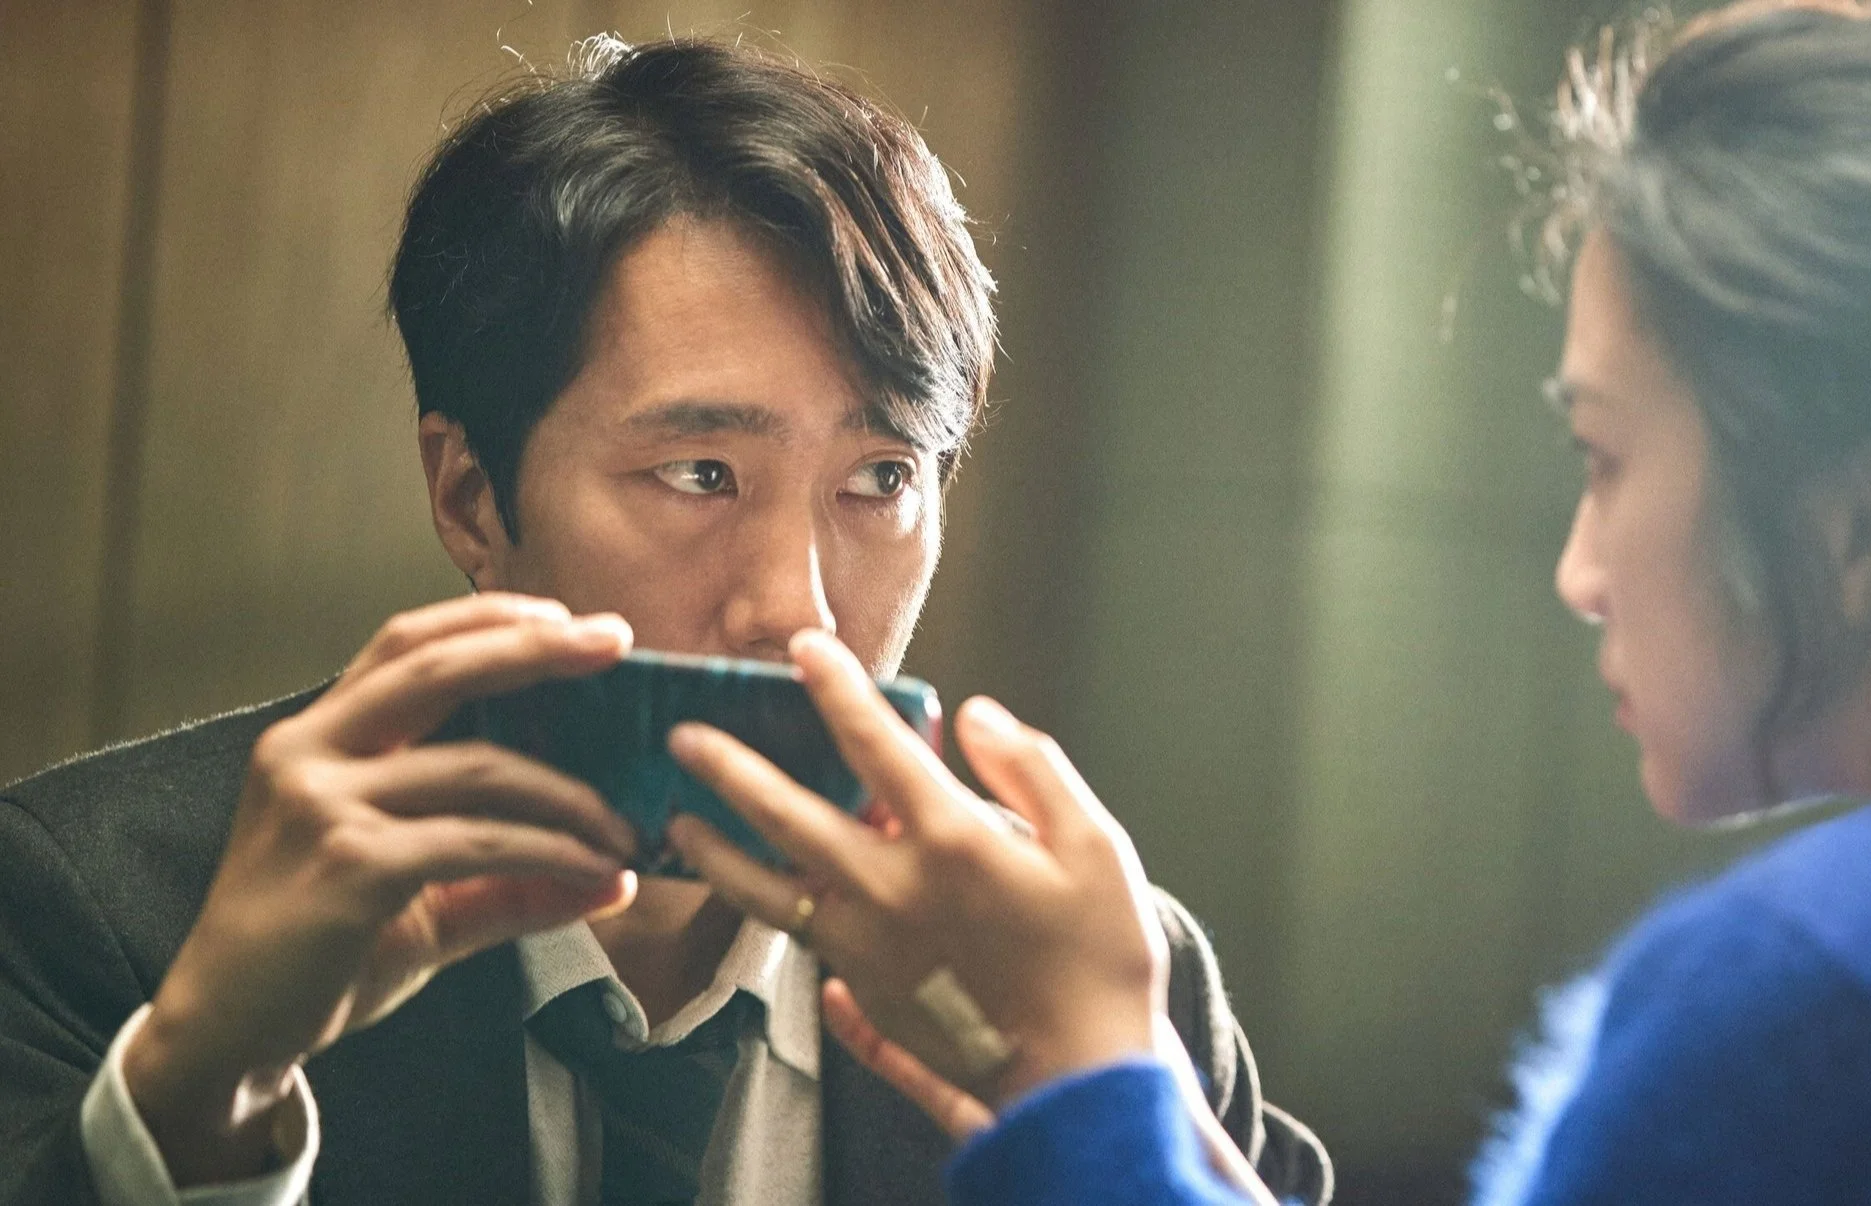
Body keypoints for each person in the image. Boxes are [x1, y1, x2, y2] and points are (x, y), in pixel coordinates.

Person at [651, 2, 1871, 1203]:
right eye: (699, 469)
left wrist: (1084, 1098)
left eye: (1607, 457)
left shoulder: (1825, 990)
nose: (1578, 566)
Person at [0, 36, 1326, 1206]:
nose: (800, 615)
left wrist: (1103, 1130)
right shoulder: (96, 911)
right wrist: (199, 1090)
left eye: (881, 480)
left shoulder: (1100, 981)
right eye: (701, 473)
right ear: (472, 497)